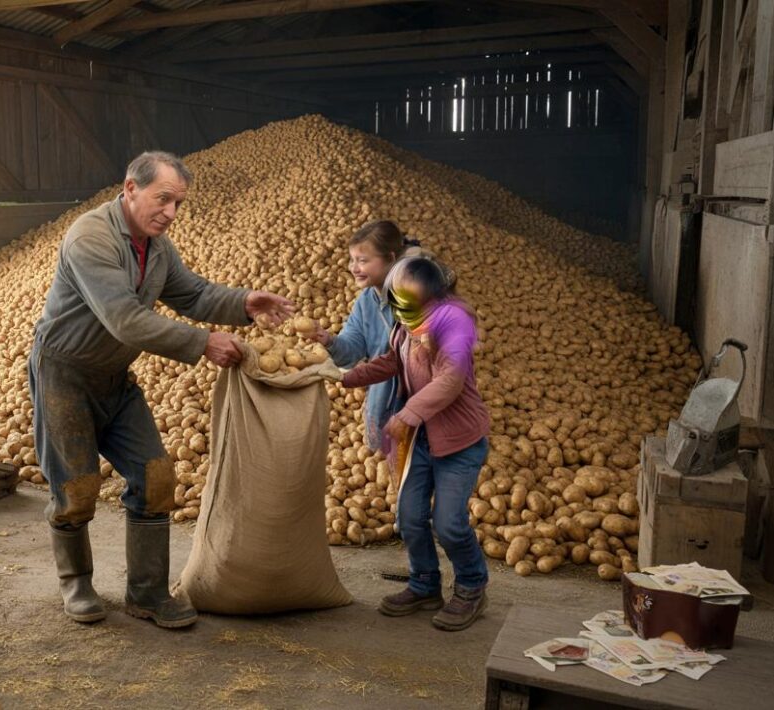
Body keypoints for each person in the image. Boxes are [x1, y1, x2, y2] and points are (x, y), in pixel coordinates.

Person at [31, 150, 294, 629]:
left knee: (156, 479)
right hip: (65, 375)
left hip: (115, 378)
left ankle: (148, 593)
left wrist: (243, 303)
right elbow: (126, 319)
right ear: (130, 188)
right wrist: (202, 342)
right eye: (163, 199)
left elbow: (192, 294)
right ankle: (77, 583)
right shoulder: (90, 236)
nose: (171, 212)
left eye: (178, 203)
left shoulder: (156, 247)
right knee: (76, 489)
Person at [340, 256, 491, 631]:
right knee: (409, 518)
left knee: (450, 524)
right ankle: (424, 584)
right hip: (421, 441)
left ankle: (472, 586)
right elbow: (391, 362)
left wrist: (409, 413)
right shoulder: (405, 328)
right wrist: (344, 376)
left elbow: (450, 380)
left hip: (459, 442)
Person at [309, 220, 419, 453]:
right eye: (352, 260)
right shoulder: (366, 301)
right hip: (383, 397)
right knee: (386, 460)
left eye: (363, 261)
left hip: (419, 400)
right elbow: (352, 349)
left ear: (390, 258)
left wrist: (351, 378)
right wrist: (327, 340)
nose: (354, 267)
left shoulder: (417, 296)